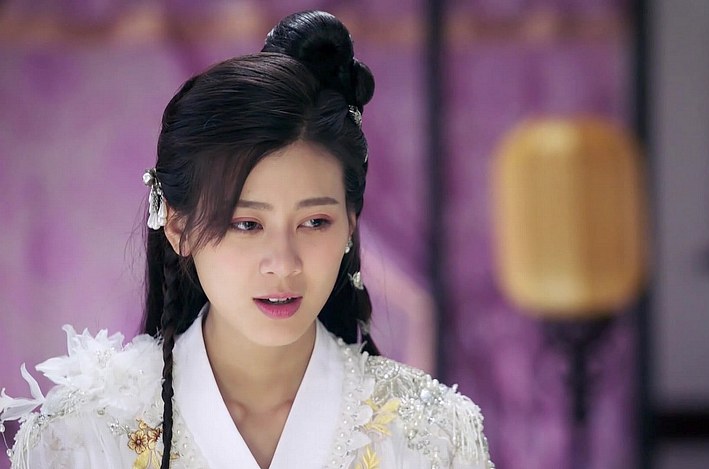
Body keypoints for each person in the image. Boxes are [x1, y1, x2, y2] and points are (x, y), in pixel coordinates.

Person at [0, 10, 492, 469]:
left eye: (315, 222)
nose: (283, 263)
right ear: (178, 226)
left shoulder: (432, 434)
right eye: (247, 224)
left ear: (350, 223)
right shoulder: (82, 435)